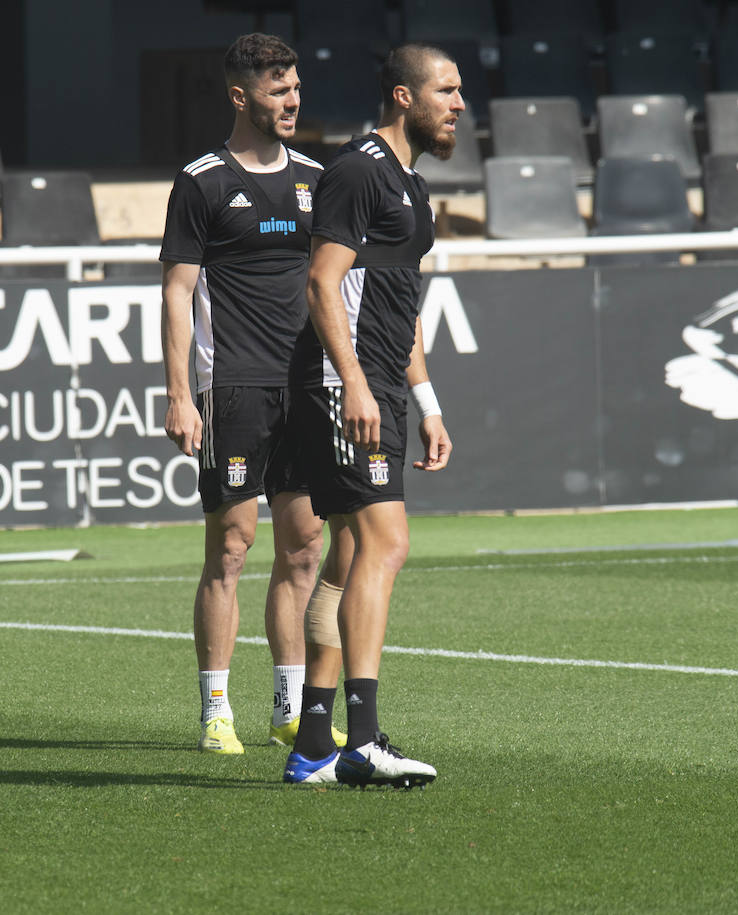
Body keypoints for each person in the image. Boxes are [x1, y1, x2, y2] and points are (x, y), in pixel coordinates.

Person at [159, 33, 347, 755]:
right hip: (233, 386)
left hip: (306, 386)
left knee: (304, 548)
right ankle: (214, 710)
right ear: (240, 96)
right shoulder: (201, 181)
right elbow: (177, 292)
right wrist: (180, 393)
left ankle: (288, 705)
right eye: (277, 89)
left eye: (295, 86)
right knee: (232, 547)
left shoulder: (317, 177)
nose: (292, 99)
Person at [281, 44, 461, 788]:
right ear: (402, 95)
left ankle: (313, 746)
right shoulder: (358, 170)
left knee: (352, 558)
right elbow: (322, 285)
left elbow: (399, 307)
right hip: (340, 382)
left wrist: (427, 402)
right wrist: (352, 381)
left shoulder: (410, 185)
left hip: (381, 383)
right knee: (385, 545)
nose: (457, 105)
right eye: (445, 91)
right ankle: (363, 739)